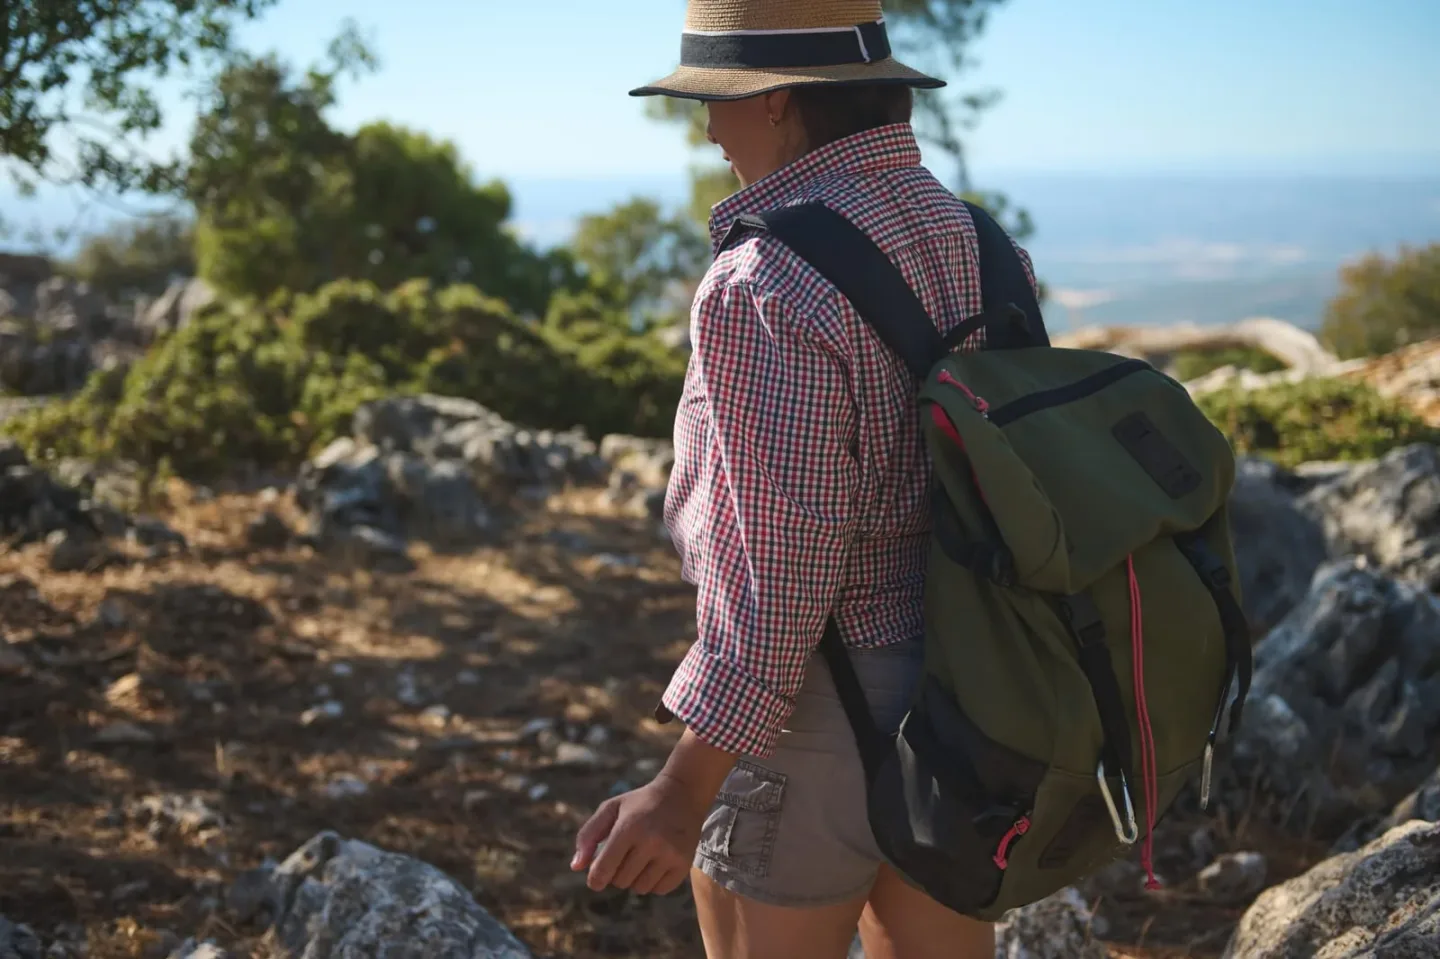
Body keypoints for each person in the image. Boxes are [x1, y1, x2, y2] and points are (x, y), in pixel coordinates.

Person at [571, 2, 1037, 956]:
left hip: (821, 705)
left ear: (777, 101)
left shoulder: (762, 285)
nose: (707, 129)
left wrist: (681, 788)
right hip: (978, 691)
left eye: (715, 102)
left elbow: (780, 575)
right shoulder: (985, 245)